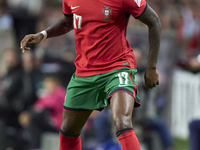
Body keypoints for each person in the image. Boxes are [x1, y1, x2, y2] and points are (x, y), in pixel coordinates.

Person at [20, 0, 161, 149]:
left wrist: (151, 67)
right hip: (85, 72)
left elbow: (154, 21)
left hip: (117, 68)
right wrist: (43, 34)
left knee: (122, 123)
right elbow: (68, 22)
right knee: (68, 130)